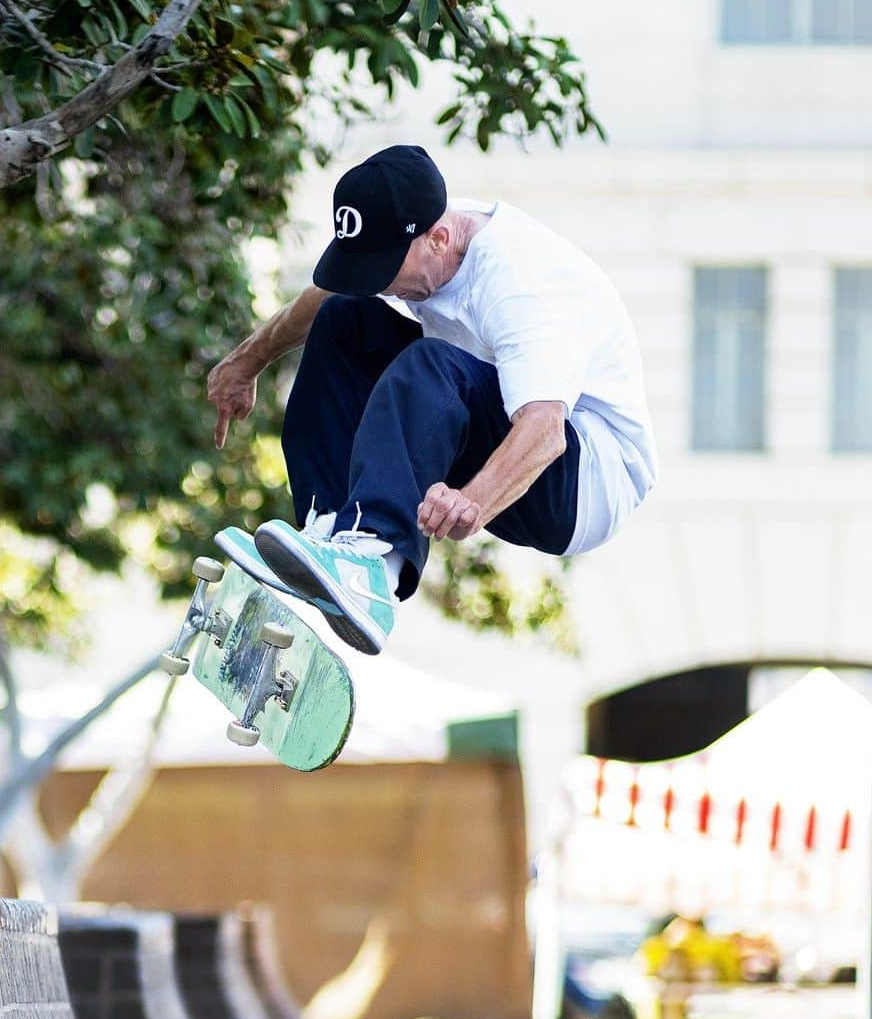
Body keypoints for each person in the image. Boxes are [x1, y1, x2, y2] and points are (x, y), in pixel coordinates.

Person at [205, 144, 658, 654]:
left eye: (387, 274)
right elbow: (325, 295)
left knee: (432, 366)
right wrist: (247, 361)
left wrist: (475, 501)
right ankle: (331, 535)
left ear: (439, 240)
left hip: (583, 480)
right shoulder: (418, 229)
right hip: (497, 424)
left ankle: (373, 566)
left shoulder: (519, 285)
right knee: (345, 318)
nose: (385, 287)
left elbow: (545, 430)